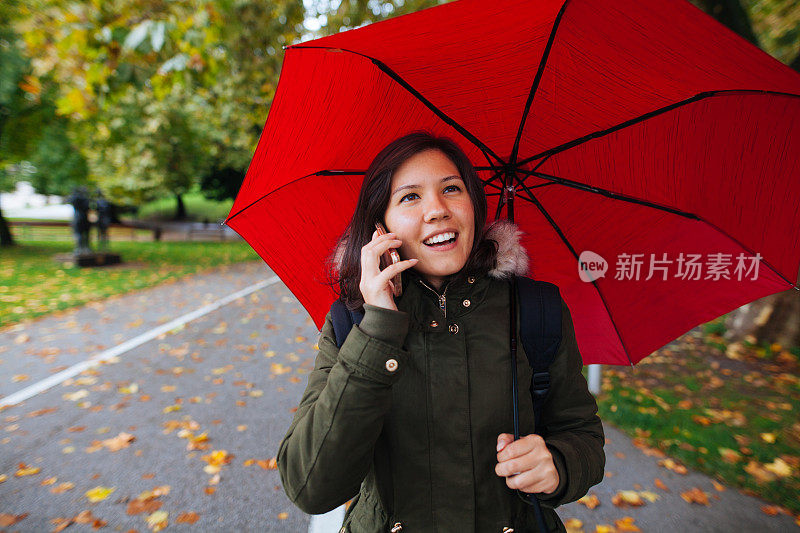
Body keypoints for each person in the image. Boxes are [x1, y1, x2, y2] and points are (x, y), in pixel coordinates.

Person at [277, 132, 605, 532]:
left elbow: (582, 435)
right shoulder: (352, 325)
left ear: (474, 206)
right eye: (410, 197)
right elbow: (311, 486)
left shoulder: (536, 310)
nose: (437, 210)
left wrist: (558, 463)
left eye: (451, 188)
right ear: (381, 227)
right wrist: (378, 331)